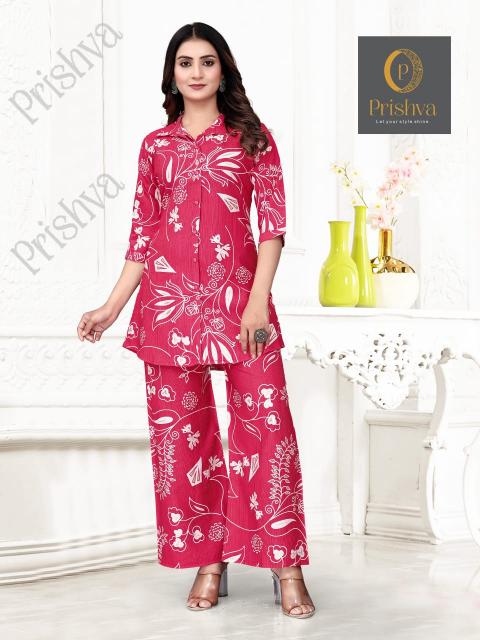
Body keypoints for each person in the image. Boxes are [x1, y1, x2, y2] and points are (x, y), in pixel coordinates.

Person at [77, 21, 315, 619]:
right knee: (184, 440)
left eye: (207, 61)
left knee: (268, 428)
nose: (197, 72)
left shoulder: (252, 139)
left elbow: (272, 228)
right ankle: (209, 562)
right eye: (185, 63)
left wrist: (258, 301)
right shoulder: (156, 147)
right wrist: (111, 307)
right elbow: (143, 235)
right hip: (169, 308)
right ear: (172, 75)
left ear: (223, 70)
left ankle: (286, 564)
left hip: (242, 304)